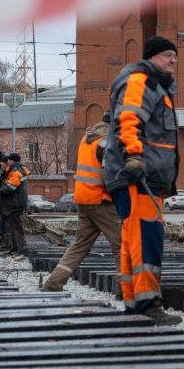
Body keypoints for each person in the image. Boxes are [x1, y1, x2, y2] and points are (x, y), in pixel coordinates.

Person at [104, 35, 181, 325]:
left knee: (133, 241)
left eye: (175, 56)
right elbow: (129, 119)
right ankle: (147, 303)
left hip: (144, 176)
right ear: (151, 58)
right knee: (146, 240)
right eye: (166, 55)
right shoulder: (141, 82)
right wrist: (134, 157)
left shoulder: (156, 86)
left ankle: (136, 303)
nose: (172, 60)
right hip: (139, 176)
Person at [43, 119, 122, 292]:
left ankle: (53, 283)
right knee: (122, 245)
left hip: (83, 199)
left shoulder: (89, 138)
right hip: (101, 200)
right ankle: (125, 290)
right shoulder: (108, 141)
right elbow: (112, 174)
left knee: (80, 246)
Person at [0, 153, 29, 255]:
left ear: (12, 161)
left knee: (17, 227)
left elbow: (11, 187)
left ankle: (20, 249)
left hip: (16, 203)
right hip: (15, 203)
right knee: (13, 227)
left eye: (8, 160)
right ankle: (15, 248)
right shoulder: (18, 169)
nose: (7, 162)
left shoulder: (16, 171)